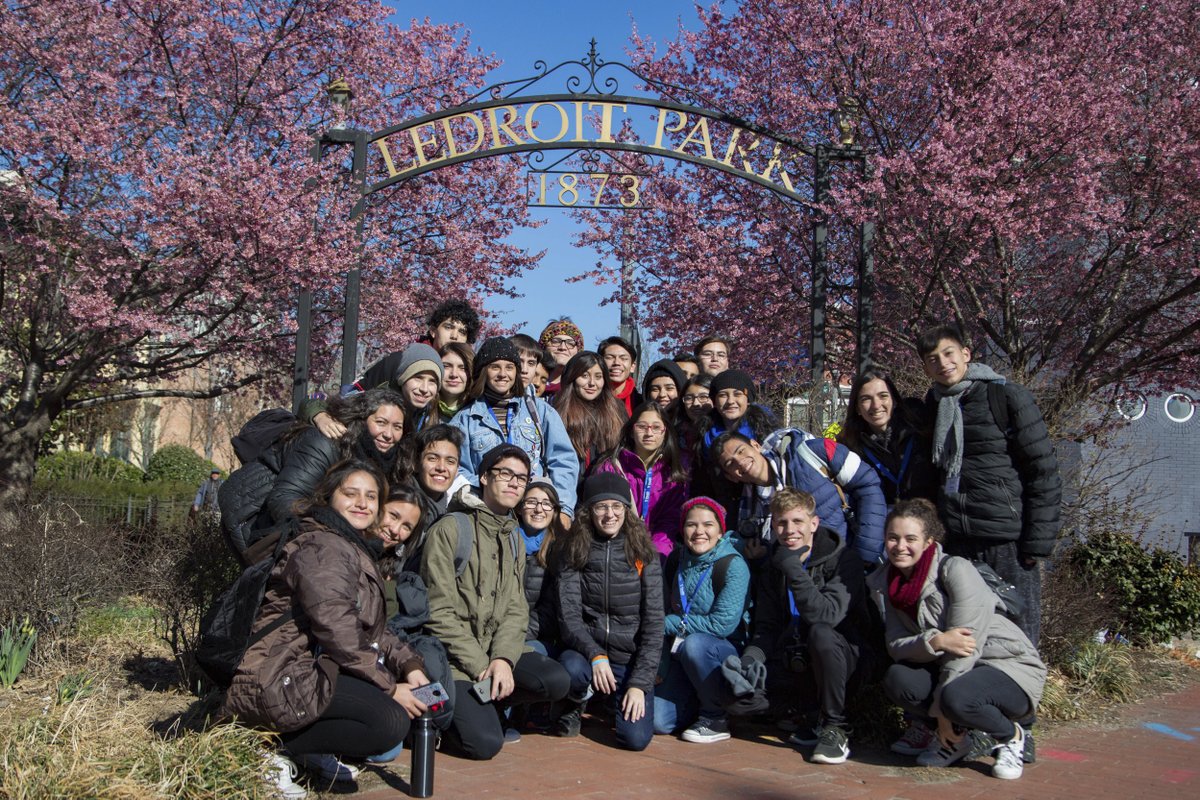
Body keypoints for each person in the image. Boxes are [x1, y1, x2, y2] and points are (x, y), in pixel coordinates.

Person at [224, 460, 430, 796]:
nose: (362, 503)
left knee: (389, 718)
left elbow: (369, 630)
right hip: (275, 674)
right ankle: (261, 745)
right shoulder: (323, 545)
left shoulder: (351, 546)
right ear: (329, 496)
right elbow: (339, 630)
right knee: (388, 722)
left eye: (372, 497)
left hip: (306, 669)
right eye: (351, 494)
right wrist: (390, 688)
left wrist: (410, 665)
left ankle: (301, 747)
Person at [867, 499, 1046, 780]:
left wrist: (943, 716)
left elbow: (965, 647)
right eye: (893, 537)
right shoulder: (884, 583)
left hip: (1005, 666)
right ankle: (957, 742)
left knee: (956, 698)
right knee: (898, 678)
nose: (900, 546)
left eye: (910, 538)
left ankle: (1011, 736)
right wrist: (936, 641)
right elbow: (895, 645)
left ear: (928, 541)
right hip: (950, 665)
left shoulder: (955, 569)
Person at [419, 444, 571, 760]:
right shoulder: (451, 529)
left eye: (522, 477)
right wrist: (481, 664)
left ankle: (485, 699)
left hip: (491, 652)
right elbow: (438, 611)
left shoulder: (513, 536)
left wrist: (502, 658)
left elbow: (516, 608)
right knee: (484, 743)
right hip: (454, 659)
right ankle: (444, 715)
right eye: (505, 474)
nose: (515, 483)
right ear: (485, 477)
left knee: (555, 681)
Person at [916, 324, 1061, 646]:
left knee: (1018, 630)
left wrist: (1037, 542)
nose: (943, 363)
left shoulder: (1005, 396)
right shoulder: (935, 407)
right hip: (958, 539)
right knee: (968, 631)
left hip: (1006, 538)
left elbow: (1043, 471)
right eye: (932, 359)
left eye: (948, 353)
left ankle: (1021, 693)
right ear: (926, 367)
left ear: (966, 354)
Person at [741, 489, 870, 765]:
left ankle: (836, 726)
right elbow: (767, 626)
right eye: (781, 523)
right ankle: (807, 715)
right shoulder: (774, 566)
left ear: (814, 523)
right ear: (773, 526)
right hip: (796, 659)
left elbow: (827, 616)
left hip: (843, 661)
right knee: (735, 698)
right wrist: (750, 659)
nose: (789, 530)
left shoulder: (845, 560)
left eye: (798, 521)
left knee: (821, 633)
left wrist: (794, 569)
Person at [553, 472, 664, 751]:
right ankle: (576, 701)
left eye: (616, 506)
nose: (609, 515)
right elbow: (569, 617)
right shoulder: (573, 548)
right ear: (588, 511)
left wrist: (638, 684)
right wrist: (595, 654)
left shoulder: (643, 552)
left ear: (627, 510)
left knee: (634, 739)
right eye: (601, 507)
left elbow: (653, 625)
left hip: (627, 659)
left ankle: (609, 699)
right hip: (587, 654)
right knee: (571, 670)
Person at [448, 336, 580, 529]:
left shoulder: (540, 411)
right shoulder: (465, 418)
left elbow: (564, 460)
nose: (503, 374)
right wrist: (494, 486)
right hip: (487, 517)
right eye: (495, 367)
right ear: (484, 371)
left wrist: (564, 508)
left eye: (509, 367)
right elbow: (456, 468)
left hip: (534, 516)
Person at [653, 498, 750, 744]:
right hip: (681, 652)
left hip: (721, 652)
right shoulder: (676, 560)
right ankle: (697, 702)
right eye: (691, 525)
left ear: (720, 530)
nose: (699, 532)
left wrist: (670, 623)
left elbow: (722, 624)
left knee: (695, 644)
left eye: (708, 525)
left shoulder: (733, 564)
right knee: (658, 722)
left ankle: (715, 717)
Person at [713, 427, 887, 565]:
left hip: (847, 562)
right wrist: (761, 556)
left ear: (756, 445)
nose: (740, 461)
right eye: (730, 463)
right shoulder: (749, 510)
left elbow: (868, 484)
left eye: (741, 451)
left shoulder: (812, 452)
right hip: (804, 582)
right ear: (731, 477)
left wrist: (865, 554)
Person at [267, 389, 408, 526]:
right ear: (362, 419)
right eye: (381, 423)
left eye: (397, 427)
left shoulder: (394, 462)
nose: (389, 434)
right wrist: (329, 532)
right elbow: (285, 499)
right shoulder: (326, 444)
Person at [595, 401, 689, 558]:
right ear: (632, 431)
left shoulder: (673, 474)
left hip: (657, 554)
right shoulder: (611, 468)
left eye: (656, 427)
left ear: (665, 432)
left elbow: (669, 522)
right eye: (642, 427)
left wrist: (656, 556)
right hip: (615, 552)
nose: (649, 433)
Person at [838, 370, 937, 508]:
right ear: (857, 408)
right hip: (882, 523)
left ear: (894, 400)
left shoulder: (920, 431)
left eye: (883, 396)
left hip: (926, 520)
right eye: (866, 399)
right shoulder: (850, 447)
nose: (876, 405)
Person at [314, 343, 442, 438]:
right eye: (418, 378)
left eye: (432, 381)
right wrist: (319, 416)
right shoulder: (370, 402)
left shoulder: (426, 414)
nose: (425, 389)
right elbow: (315, 401)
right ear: (403, 379)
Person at [551, 351, 626, 476]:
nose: (592, 383)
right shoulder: (556, 410)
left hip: (606, 485)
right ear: (572, 377)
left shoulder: (616, 410)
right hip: (570, 483)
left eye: (598, 377)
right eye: (584, 376)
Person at [406, 424, 466, 535]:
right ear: (416, 463)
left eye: (450, 461)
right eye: (432, 458)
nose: (441, 468)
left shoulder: (453, 514)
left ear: (457, 470)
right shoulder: (401, 504)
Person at [537, 317, 584, 398]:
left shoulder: (582, 388)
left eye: (570, 343)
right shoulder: (529, 382)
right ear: (544, 347)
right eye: (555, 341)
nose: (562, 347)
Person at [598, 335, 642, 415]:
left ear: (632, 366)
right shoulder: (590, 399)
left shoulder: (641, 404)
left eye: (623, 358)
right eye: (610, 357)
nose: (617, 363)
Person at [437, 341, 474, 420]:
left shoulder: (480, 414)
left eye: (463, 368)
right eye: (446, 366)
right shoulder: (421, 411)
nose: (454, 374)